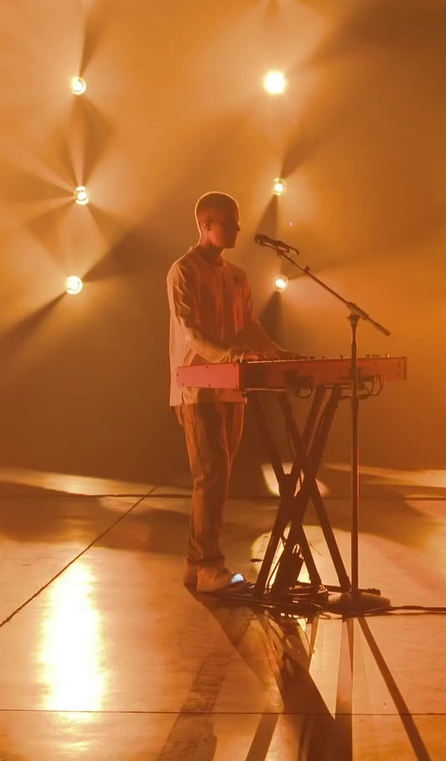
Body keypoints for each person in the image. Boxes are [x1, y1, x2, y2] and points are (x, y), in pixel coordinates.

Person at [167, 192, 293, 592]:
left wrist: (276, 353)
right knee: (212, 474)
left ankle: (197, 564)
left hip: (231, 386)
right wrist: (230, 356)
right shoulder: (182, 271)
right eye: (230, 221)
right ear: (206, 224)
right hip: (197, 387)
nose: (238, 228)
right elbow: (192, 332)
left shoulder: (236, 276)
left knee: (219, 476)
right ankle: (207, 564)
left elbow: (250, 326)